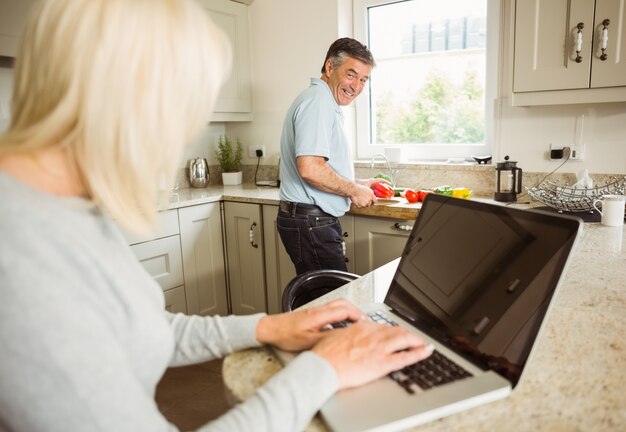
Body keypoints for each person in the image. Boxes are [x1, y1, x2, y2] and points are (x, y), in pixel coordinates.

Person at [0, 1, 433, 431]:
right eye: (177, 106)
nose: (178, 134)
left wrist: (268, 328)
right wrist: (323, 369)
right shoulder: (21, 248)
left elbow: (147, 329)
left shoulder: (71, 207)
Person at [278, 37, 389, 275]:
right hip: (311, 223)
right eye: (351, 75)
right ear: (330, 67)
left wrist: (359, 184)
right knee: (330, 300)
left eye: (363, 79)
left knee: (317, 300)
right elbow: (310, 168)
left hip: (310, 221)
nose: (356, 86)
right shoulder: (318, 102)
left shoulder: (322, 101)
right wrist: (353, 191)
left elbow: (319, 166)